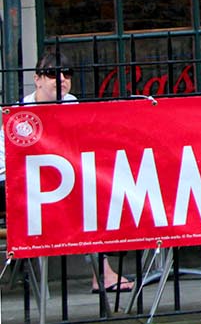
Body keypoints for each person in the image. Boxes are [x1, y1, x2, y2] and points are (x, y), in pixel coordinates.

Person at [3, 53, 134, 293]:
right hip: (19, 187)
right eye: (52, 73)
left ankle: (103, 271)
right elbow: (7, 167)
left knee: (96, 193)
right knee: (85, 198)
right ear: (37, 79)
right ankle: (103, 273)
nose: (61, 79)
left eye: (67, 74)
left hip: (62, 182)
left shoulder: (72, 104)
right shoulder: (19, 115)